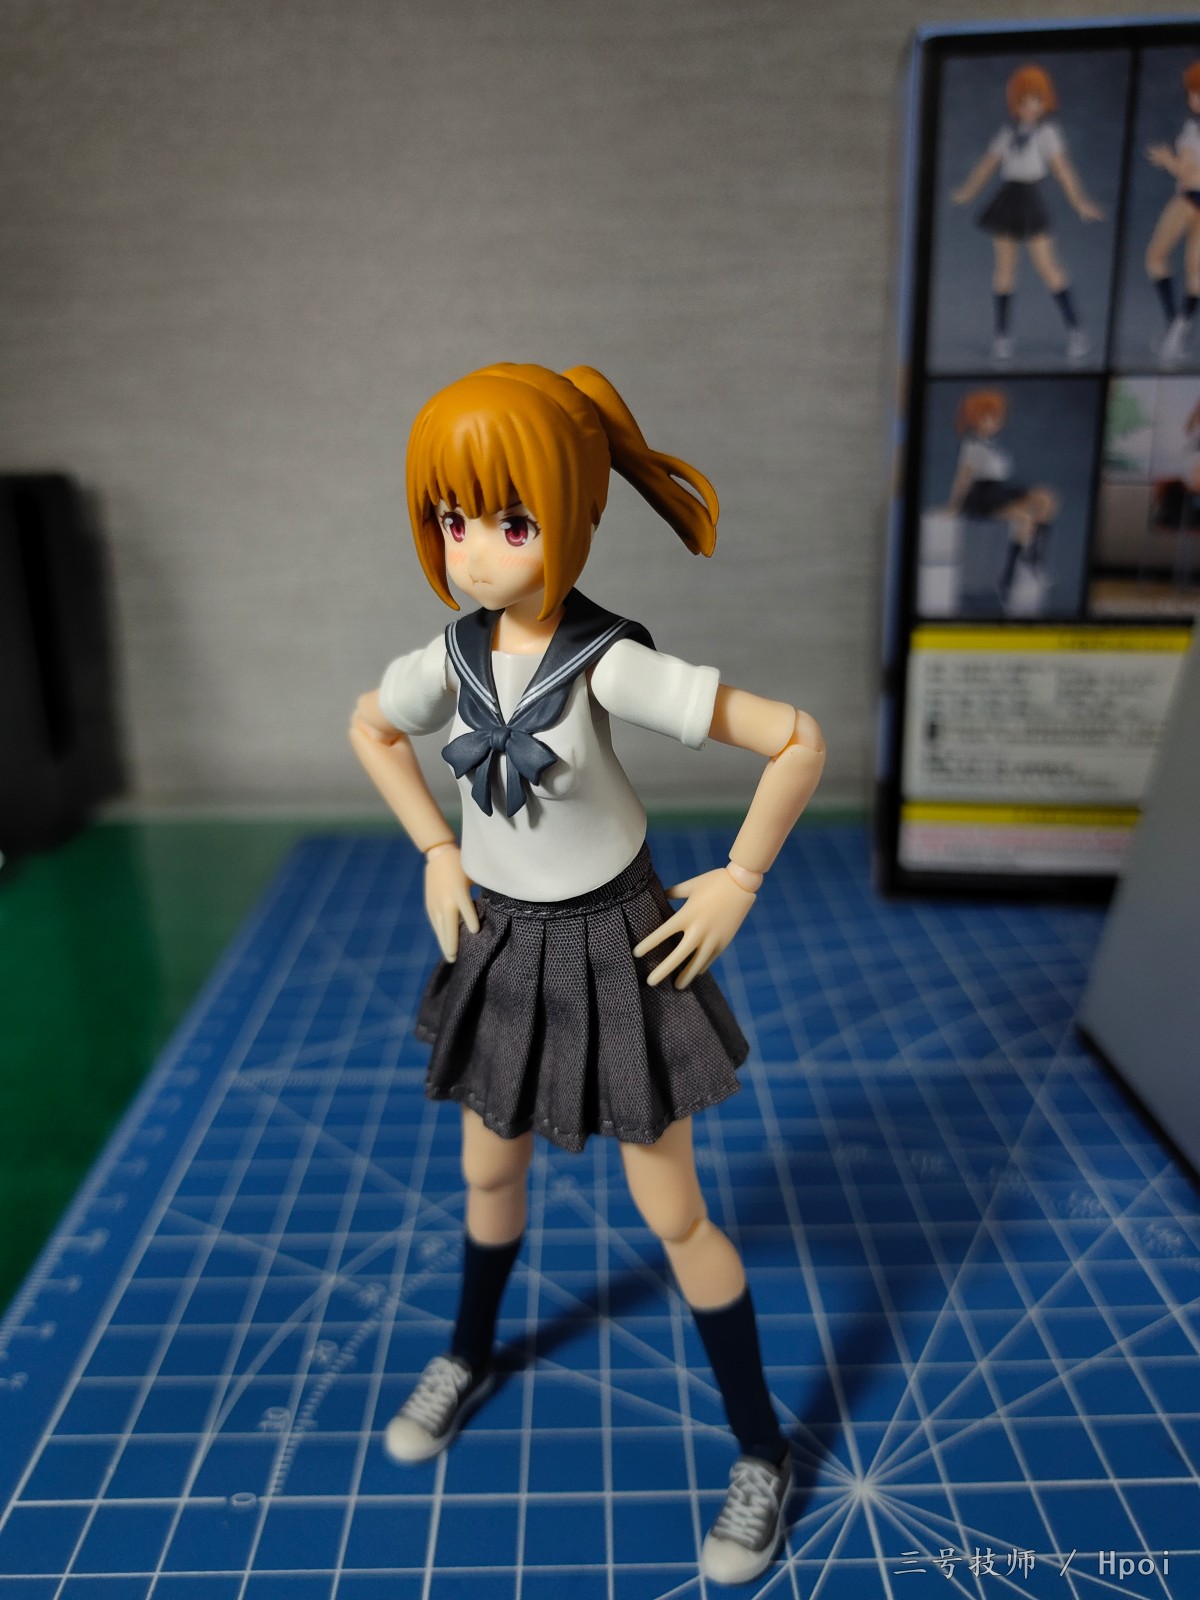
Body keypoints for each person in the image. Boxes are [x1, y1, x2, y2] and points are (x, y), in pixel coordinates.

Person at [349, 363, 826, 1586]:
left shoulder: (607, 662)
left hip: (618, 945)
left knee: (674, 1212)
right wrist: (437, 847)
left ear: (572, 514)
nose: (474, 550)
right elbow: (371, 725)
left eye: (511, 522)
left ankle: (761, 1449)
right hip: (501, 942)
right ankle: (469, 1350)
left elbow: (795, 738)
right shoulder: (451, 654)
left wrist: (738, 879)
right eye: (452, 519)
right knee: (486, 1169)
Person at [951, 63, 1103, 364]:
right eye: (1024, 101)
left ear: (1046, 101)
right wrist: (968, 191)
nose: (1031, 107)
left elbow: (1063, 170)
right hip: (1007, 199)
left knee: (1049, 268)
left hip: (1030, 200)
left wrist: (1080, 202)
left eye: (1037, 100)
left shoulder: (1048, 133)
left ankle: (1075, 330)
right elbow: (987, 164)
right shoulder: (1007, 132)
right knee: (1004, 271)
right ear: (1016, 103)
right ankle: (1002, 336)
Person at [945, 389, 1060, 610]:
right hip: (984, 496)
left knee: (1047, 499)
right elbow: (963, 478)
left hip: (1001, 490)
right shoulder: (972, 446)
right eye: (986, 418)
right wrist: (954, 506)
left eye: (995, 418)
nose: (992, 423)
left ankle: (1036, 561)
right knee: (1025, 518)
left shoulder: (992, 445)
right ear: (975, 419)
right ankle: (1009, 580)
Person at [1145, 60, 1200, 364]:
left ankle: (1173, 326)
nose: (1194, 100)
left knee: (1155, 257)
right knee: (1195, 273)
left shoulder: (1193, 130)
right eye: (1192, 94)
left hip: (1190, 199)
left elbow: (1189, 174)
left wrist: (1167, 160)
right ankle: (1179, 328)